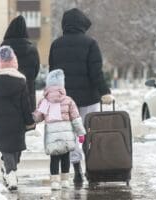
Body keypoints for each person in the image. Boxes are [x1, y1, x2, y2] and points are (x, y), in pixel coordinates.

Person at [48, 8, 114, 185]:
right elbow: (96, 72)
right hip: (88, 99)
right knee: (88, 133)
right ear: (82, 25)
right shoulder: (90, 43)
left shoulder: (56, 44)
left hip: (65, 101)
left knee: (70, 136)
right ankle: (91, 170)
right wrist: (105, 92)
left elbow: (52, 74)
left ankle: (76, 169)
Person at [0, 46, 35, 191]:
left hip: (0, 122)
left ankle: (9, 171)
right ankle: (11, 174)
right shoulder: (22, 82)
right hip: (17, 123)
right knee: (15, 150)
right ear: (14, 63)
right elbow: (26, 104)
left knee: (7, 150)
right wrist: (29, 121)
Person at [33, 69, 86, 190]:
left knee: (54, 158)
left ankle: (55, 182)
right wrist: (81, 133)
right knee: (65, 157)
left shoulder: (45, 101)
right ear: (62, 85)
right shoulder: (68, 100)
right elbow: (76, 118)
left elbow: (38, 117)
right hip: (66, 137)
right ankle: (65, 181)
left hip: (52, 138)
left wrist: (29, 118)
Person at [0, 15, 40, 110]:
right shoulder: (33, 51)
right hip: (27, 102)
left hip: (2, 104)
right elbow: (35, 73)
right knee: (27, 124)